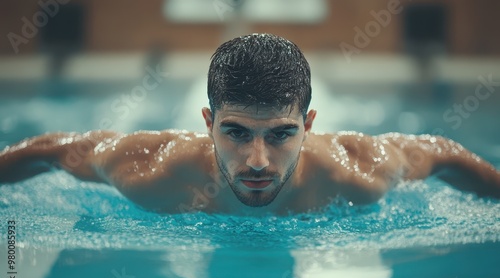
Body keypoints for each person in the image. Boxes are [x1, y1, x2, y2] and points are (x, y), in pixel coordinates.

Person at [1, 33, 499, 215]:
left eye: (281, 134)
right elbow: (50, 147)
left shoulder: (357, 173)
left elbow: (442, 153)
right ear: (207, 122)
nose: (257, 161)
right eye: (236, 132)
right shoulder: (147, 171)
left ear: (308, 124)